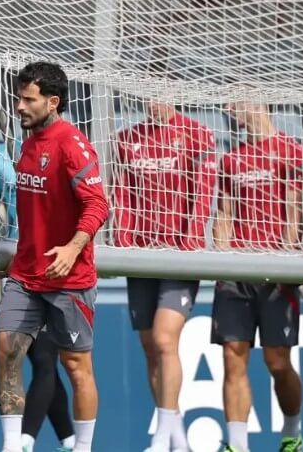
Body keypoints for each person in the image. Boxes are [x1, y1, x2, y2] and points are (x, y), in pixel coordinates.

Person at [0, 62, 109, 452]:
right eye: (19, 98)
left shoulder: (73, 145)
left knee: (76, 367)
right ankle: (12, 445)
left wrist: (73, 248)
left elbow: (97, 205)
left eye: (29, 100)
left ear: (53, 101)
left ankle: (83, 447)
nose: (20, 106)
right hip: (26, 274)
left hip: (68, 277)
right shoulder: (26, 143)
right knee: (7, 351)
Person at [111, 99, 215, 452]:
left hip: (179, 257)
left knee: (164, 339)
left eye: (157, 94)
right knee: (149, 347)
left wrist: (191, 241)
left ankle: (161, 436)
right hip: (141, 256)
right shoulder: (127, 139)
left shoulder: (197, 134)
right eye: (145, 96)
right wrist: (123, 237)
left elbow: (203, 192)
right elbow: (122, 192)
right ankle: (177, 437)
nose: (151, 102)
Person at [211, 102, 303, 452]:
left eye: (235, 102)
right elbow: (223, 213)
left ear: (257, 102)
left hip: (275, 273)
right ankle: (237, 445)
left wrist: (289, 262)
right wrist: (222, 261)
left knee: (277, 362)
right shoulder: (231, 159)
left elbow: (295, 212)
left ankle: (292, 431)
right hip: (236, 273)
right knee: (232, 355)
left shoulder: (290, 152)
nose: (228, 109)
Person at [0, 127, 75, 452]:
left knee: (44, 358)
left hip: (51, 266)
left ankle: (22, 442)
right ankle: (70, 442)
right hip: (17, 267)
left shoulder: (57, 147)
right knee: (34, 357)